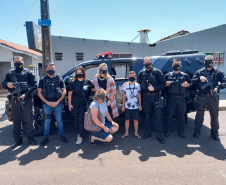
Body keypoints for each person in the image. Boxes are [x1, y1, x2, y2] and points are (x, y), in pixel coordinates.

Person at [3, 56, 37, 149]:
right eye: (16, 61)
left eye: (19, 61)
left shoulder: (28, 73)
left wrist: (26, 94)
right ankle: (18, 139)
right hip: (15, 100)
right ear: (13, 62)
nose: (18, 62)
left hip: (27, 99)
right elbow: (3, 84)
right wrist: (7, 84)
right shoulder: (10, 73)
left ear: (23, 61)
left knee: (29, 119)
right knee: (16, 120)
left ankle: (31, 138)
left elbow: (34, 85)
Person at [191, 55, 226, 141]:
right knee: (199, 115)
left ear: (213, 61)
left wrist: (218, 87)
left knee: (214, 116)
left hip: (213, 98)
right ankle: (197, 131)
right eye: (207, 61)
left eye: (210, 61)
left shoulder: (218, 72)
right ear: (204, 62)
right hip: (201, 97)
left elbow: (225, 81)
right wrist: (199, 78)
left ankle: (215, 133)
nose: (208, 62)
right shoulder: (200, 72)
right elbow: (193, 82)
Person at [38, 63, 68, 145]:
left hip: (57, 103)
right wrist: (47, 102)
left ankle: (62, 135)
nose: (51, 69)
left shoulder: (59, 79)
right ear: (46, 69)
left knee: (59, 120)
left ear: (55, 69)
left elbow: (64, 91)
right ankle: (45, 137)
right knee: (47, 121)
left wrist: (57, 102)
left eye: (52, 68)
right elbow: (39, 93)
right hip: (47, 104)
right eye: (49, 68)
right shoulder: (42, 80)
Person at [137, 56, 166, 144]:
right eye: (145, 62)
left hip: (156, 96)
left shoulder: (157, 72)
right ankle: (148, 132)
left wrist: (155, 88)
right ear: (143, 64)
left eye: (148, 62)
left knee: (157, 117)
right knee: (147, 116)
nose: (147, 64)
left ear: (151, 61)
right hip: (146, 98)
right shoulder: (141, 73)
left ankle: (159, 135)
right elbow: (137, 85)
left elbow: (163, 83)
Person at [68, 66, 95, 145]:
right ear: (76, 74)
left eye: (81, 72)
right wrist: (70, 104)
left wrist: (93, 98)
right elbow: (69, 94)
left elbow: (94, 89)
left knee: (81, 119)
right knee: (76, 119)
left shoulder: (88, 82)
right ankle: (79, 133)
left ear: (83, 73)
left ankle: (81, 136)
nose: (79, 74)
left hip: (84, 104)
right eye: (78, 73)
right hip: (75, 104)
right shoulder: (73, 83)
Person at [164, 59, 191, 138]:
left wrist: (188, 84)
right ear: (172, 66)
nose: (177, 65)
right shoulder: (167, 76)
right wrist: (165, 84)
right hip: (171, 99)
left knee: (181, 116)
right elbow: (162, 86)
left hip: (181, 99)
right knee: (169, 115)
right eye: (175, 64)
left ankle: (181, 131)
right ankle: (168, 130)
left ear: (181, 66)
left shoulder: (184, 75)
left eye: (178, 64)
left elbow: (191, 84)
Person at [121, 71, 142, 139]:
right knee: (127, 120)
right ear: (128, 77)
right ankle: (126, 133)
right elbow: (123, 96)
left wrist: (140, 105)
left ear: (135, 77)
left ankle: (136, 133)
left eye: (133, 76)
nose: (131, 77)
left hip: (135, 106)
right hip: (127, 106)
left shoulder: (138, 85)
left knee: (136, 120)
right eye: (130, 76)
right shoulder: (125, 86)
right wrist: (123, 106)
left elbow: (139, 95)